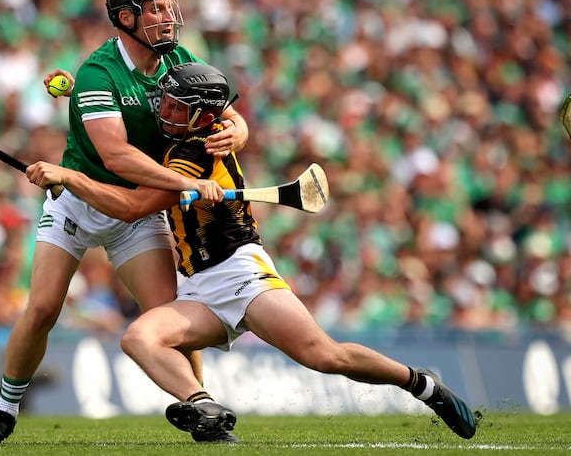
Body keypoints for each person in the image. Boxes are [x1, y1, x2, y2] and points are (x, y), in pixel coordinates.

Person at [26, 62, 478, 443]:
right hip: (198, 287)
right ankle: (204, 407)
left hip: (241, 274)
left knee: (325, 356)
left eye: (177, 107)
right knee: (139, 338)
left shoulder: (197, 151)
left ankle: (422, 386)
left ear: (203, 117)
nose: (164, 110)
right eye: (164, 101)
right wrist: (83, 91)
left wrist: (72, 178)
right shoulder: (187, 132)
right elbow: (131, 120)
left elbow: (132, 207)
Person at [0, 0, 249, 444]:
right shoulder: (98, 73)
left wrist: (238, 129)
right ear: (125, 18)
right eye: (155, 9)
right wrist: (186, 180)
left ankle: (201, 408)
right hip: (76, 204)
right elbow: (117, 156)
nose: (167, 17)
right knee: (41, 309)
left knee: (170, 317)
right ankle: (5, 409)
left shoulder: (178, 60)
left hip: (135, 216)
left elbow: (221, 104)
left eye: (167, 6)